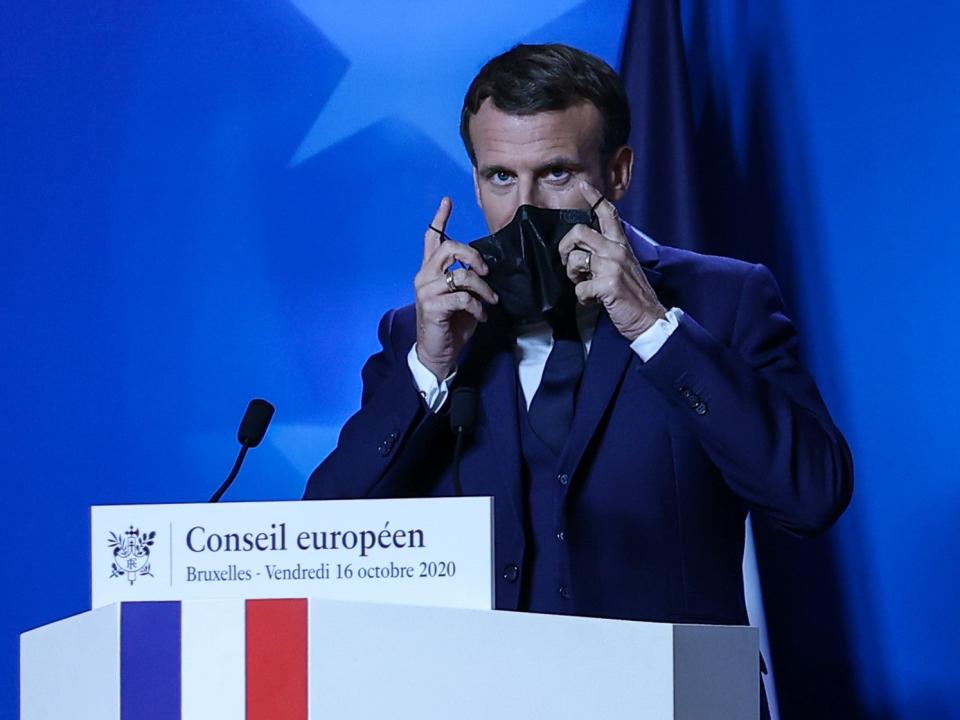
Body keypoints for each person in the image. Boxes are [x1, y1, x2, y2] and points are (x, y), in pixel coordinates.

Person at [305, 43, 852, 628]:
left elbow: (811, 497)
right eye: (500, 177)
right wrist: (430, 369)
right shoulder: (416, 332)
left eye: (557, 174)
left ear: (617, 173)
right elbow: (327, 543)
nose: (526, 209)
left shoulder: (727, 299)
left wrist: (653, 328)